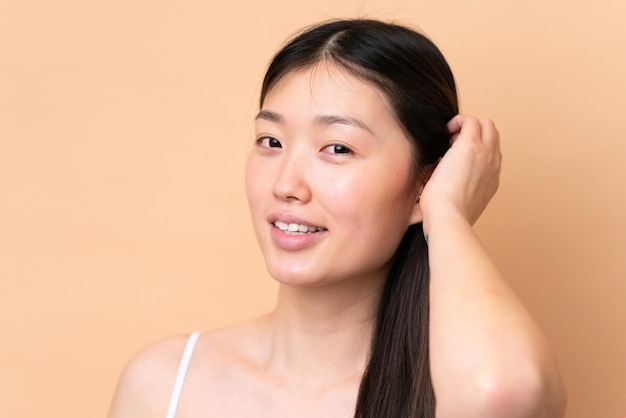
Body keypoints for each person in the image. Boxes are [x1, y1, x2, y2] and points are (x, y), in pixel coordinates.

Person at [108, 19, 566, 418]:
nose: (286, 184)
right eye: (270, 141)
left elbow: (507, 397)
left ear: (424, 183)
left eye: (338, 148)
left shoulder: (450, 394)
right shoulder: (164, 383)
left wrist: (446, 211)